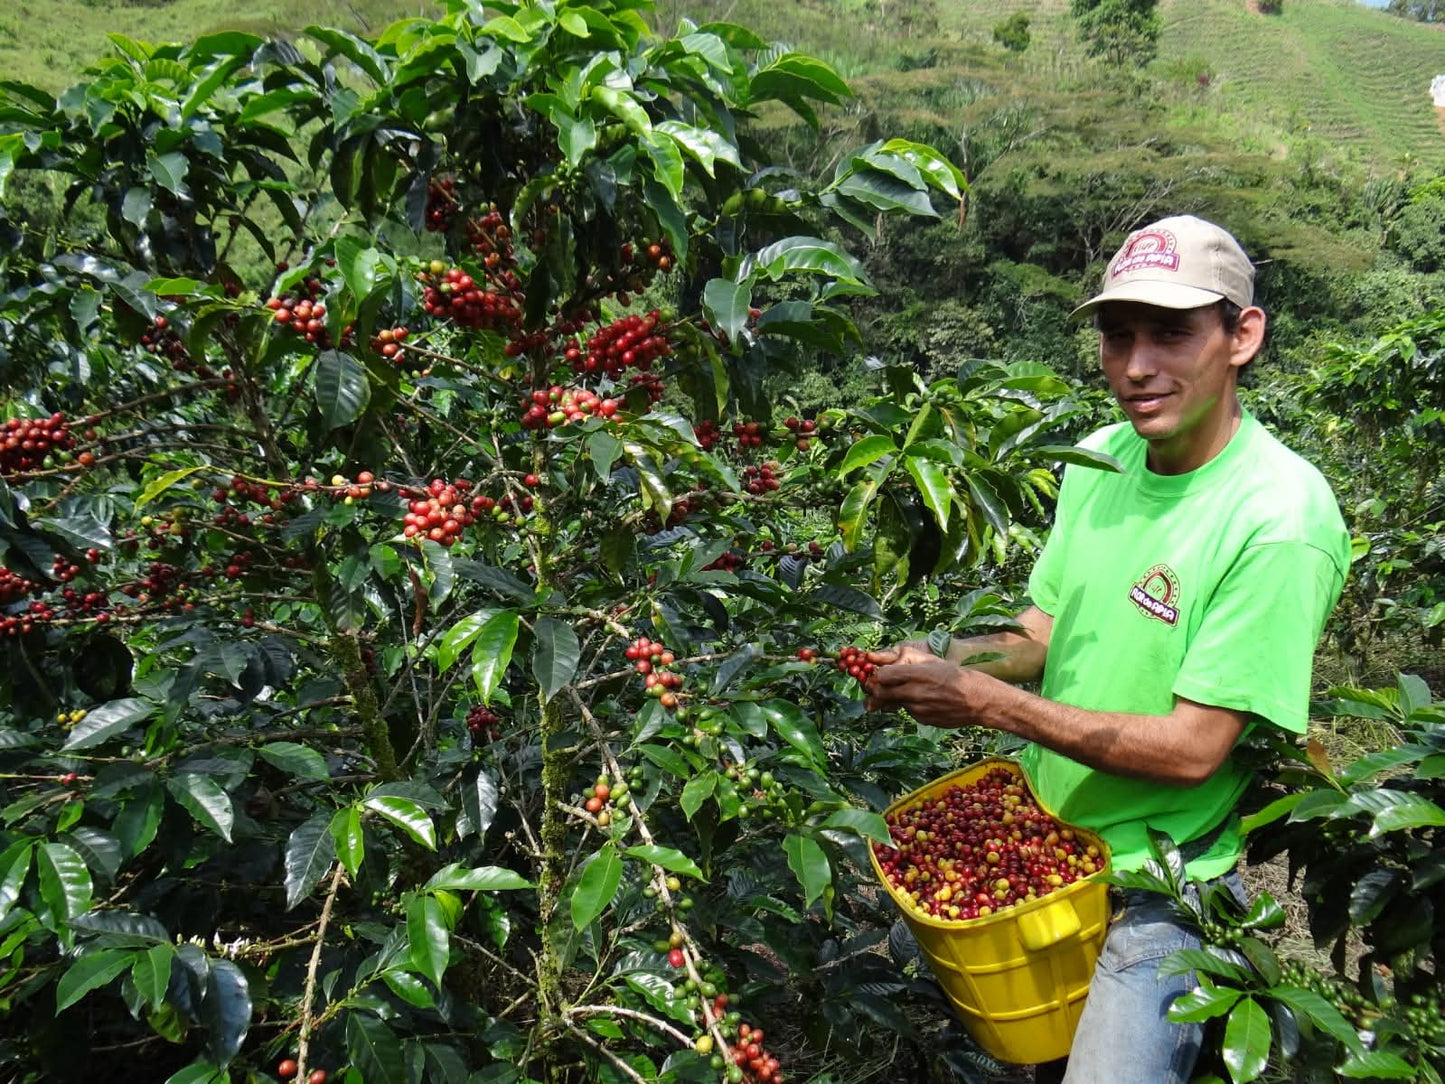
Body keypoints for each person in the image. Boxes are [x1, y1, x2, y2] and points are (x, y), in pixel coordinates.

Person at [864, 215, 1351, 1083]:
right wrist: (947, 659)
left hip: (1157, 880)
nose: (1134, 367)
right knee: (954, 995)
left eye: (1170, 333)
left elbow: (1197, 750)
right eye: (1116, 335)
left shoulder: (1278, 520)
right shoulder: (1100, 457)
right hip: (1045, 830)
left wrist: (986, 706)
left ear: (1241, 336)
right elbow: (1044, 635)